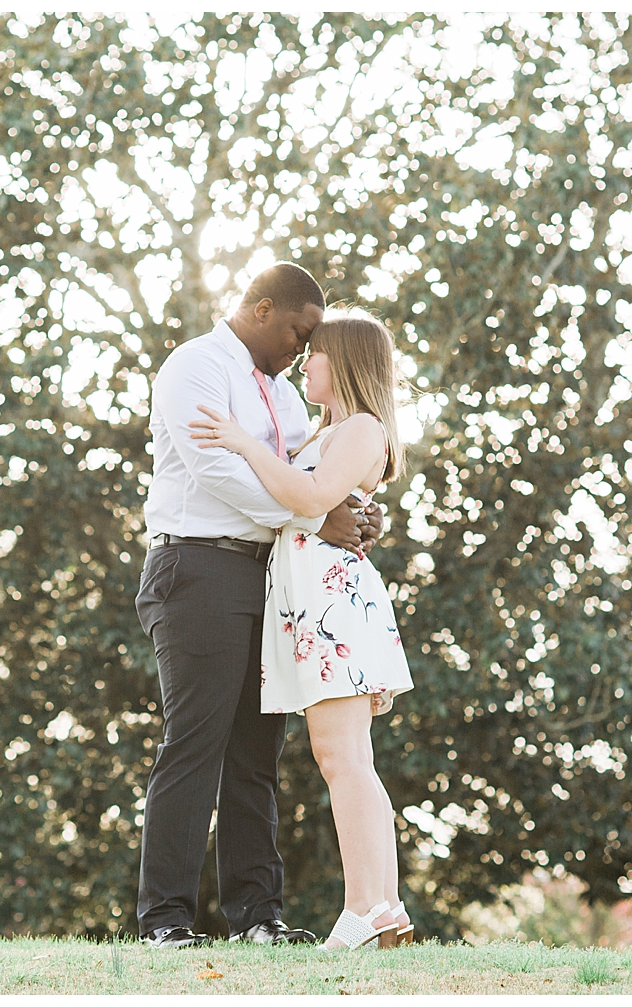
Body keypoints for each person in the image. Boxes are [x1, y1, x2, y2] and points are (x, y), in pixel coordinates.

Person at [135, 263, 383, 950]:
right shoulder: (196, 366)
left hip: (269, 576)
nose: (302, 350)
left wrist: (350, 509)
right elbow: (219, 471)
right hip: (197, 566)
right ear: (262, 306)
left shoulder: (284, 394)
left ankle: (257, 917)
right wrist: (313, 517)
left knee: (256, 753)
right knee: (195, 743)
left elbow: (306, 479)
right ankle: (166, 920)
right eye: (299, 332)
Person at [189, 307, 415, 950]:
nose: (303, 362)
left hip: (333, 604)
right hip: (313, 600)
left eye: (314, 353)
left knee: (344, 757)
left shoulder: (363, 429)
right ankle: (381, 907)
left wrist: (241, 442)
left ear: (342, 361)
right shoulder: (335, 431)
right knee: (340, 756)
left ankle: (368, 908)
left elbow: (311, 501)